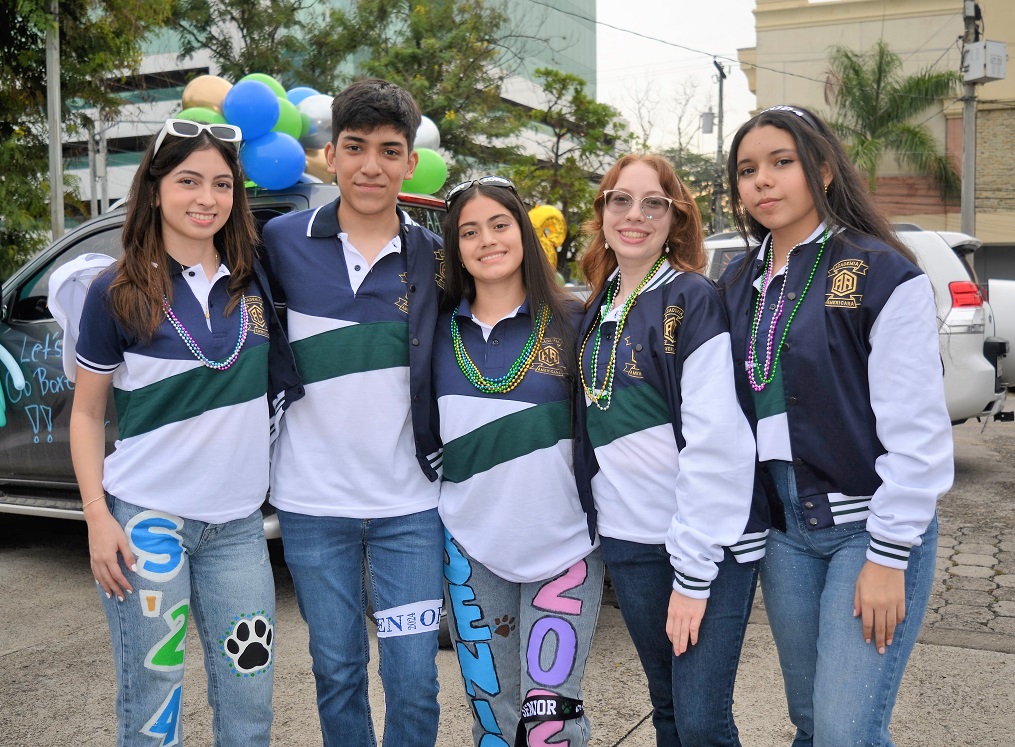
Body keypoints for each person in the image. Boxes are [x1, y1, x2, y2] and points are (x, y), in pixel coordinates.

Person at [719, 105, 953, 747]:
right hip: (784, 533)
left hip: (867, 527)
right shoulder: (737, 282)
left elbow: (919, 435)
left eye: (781, 162)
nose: (762, 181)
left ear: (822, 170)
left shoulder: (880, 272)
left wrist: (887, 555)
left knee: (848, 732)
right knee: (814, 724)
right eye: (747, 170)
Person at [69, 118, 299, 746]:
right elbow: (87, 414)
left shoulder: (255, 283)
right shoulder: (113, 292)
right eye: (189, 181)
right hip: (148, 525)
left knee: (250, 703)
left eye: (222, 184)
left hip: (237, 527)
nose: (207, 198)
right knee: (152, 706)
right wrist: (97, 517)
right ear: (155, 187)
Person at [260, 79, 445, 746]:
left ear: (407, 162)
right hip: (312, 508)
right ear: (329, 155)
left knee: (414, 680)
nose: (372, 165)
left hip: (411, 509)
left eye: (389, 151)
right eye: (356, 147)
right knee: (336, 670)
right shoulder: (279, 242)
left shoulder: (434, 257)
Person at [573, 154, 759, 747]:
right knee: (668, 707)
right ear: (601, 211)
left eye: (653, 202)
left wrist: (694, 574)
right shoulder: (595, 304)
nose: (635, 215)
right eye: (619, 200)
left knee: (701, 719)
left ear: (674, 219)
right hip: (629, 539)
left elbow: (717, 443)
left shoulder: (691, 297)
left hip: (704, 542)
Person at [436, 176, 604, 746]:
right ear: (455, 248)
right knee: (492, 719)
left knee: (549, 722)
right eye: (469, 231)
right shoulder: (432, 332)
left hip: (566, 551)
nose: (487, 240)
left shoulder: (577, 321)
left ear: (524, 234)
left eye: (500, 224)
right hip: (469, 549)